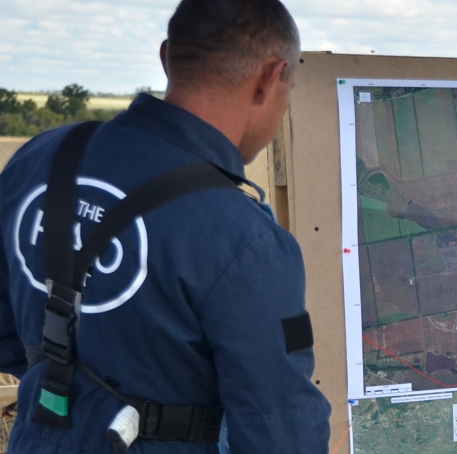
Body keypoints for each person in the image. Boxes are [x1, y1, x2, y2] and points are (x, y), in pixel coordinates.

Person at [0, 1, 330, 452]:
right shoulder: (242, 234)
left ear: (166, 56)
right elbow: (279, 430)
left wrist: (77, 396)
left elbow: (6, 337)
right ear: (271, 78)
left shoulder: (41, 158)